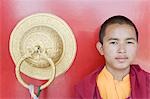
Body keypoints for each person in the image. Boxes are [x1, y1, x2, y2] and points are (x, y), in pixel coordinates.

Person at [75, 15, 150, 99]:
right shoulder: (85, 89)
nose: (122, 50)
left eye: (129, 42)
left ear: (137, 47)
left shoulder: (147, 82)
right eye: (113, 42)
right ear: (101, 48)